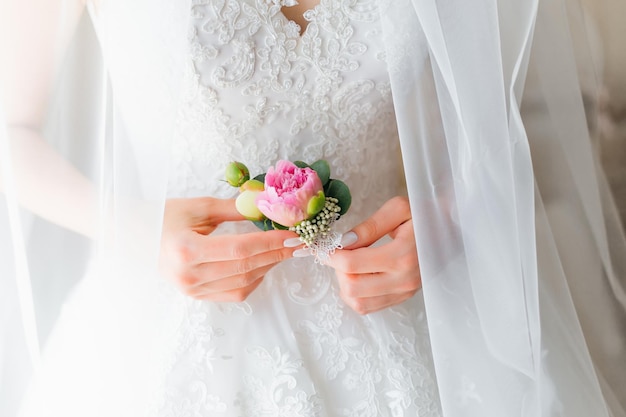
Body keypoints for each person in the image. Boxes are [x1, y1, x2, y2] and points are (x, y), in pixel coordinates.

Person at [1, 0, 625, 416]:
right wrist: (140, 230)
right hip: (167, 332)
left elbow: (503, 126)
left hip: (408, 320)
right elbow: (12, 130)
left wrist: (445, 223)